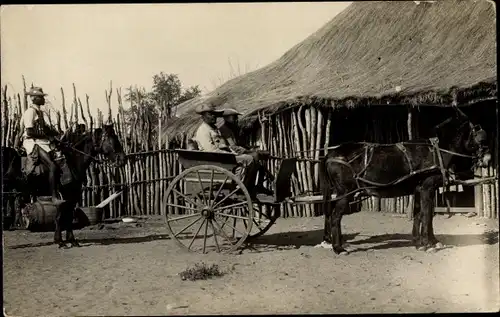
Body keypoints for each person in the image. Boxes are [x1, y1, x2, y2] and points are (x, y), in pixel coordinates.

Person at [193, 103, 255, 183]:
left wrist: (230, 151)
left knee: (247, 158)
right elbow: (210, 151)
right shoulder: (203, 130)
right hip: (214, 159)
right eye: (210, 114)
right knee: (248, 159)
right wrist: (229, 154)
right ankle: (237, 185)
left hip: (222, 157)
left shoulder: (214, 129)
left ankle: (239, 182)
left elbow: (223, 145)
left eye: (215, 114)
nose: (214, 116)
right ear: (203, 117)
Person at [21, 87, 61, 203]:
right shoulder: (30, 112)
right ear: (34, 99)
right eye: (41, 97)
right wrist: (45, 135)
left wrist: (56, 134)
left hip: (42, 143)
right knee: (52, 166)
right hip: (33, 142)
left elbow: (46, 129)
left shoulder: (40, 112)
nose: (43, 99)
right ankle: (54, 197)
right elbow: (29, 131)